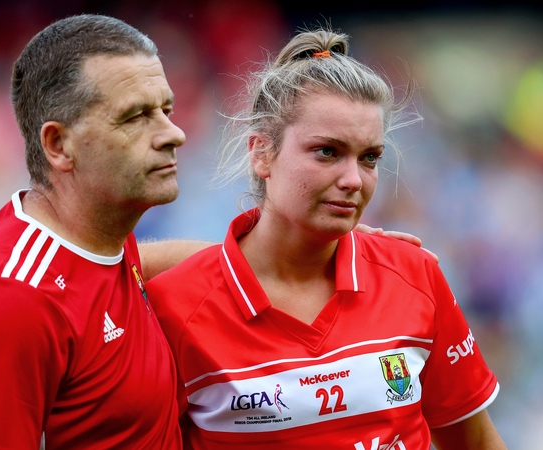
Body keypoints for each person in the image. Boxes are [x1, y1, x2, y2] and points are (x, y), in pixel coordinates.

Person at [0, 14, 429, 450]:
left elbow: (136, 265)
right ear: (59, 145)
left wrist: (313, 253)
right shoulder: (4, 304)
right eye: (136, 117)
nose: (173, 133)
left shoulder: (102, 249)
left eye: (165, 108)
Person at [146, 29, 507, 449]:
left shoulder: (415, 274)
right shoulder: (172, 306)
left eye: (370, 157)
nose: (354, 180)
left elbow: (475, 442)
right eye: (327, 152)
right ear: (262, 153)